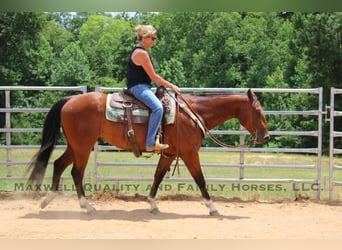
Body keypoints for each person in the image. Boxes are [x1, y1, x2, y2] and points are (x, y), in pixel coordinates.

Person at [126, 24, 180, 152]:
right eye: (152, 38)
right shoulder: (141, 53)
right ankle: (150, 143)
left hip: (142, 86)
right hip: (138, 87)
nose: (154, 41)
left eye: (155, 38)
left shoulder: (140, 51)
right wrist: (171, 86)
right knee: (157, 108)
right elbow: (154, 76)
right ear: (144, 38)